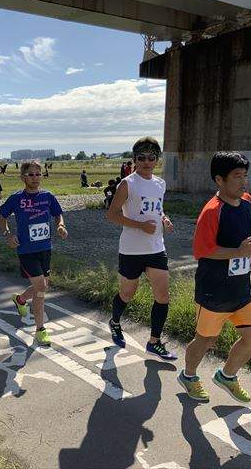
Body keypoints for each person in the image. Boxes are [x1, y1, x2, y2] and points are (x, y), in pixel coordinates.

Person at [177, 151, 251, 404]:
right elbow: (202, 251)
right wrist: (239, 253)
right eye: (237, 176)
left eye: (245, 175)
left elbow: (243, 239)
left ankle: (227, 376)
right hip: (213, 291)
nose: (243, 182)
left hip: (240, 289)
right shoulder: (212, 211)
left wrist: (249, 257)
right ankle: (188, 376)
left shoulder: (246, 202)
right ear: (219, 179)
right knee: (206, 340)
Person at [106, 137, 177, 361]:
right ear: (134, 159)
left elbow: (157, 209)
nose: (146, 162)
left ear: (157, 159)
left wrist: (164, 219)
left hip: (156, 248)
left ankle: (154, 342)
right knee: (127, 293)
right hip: (131, 250)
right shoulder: (128, 183)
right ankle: (115, 322)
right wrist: (140, 226)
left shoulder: (160, 183)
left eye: (151, 158)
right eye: (141, 158)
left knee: (163, 296)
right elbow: (112, 215)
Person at [0, 160, 68, 346]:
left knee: (42, 286)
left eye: (38, 174)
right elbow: (1, 217)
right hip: (26, 250)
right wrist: (8, 235)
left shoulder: (47, 196)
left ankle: (20, 300)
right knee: (41, 288)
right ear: (23, 177)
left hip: (45, 249)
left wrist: (60, 225)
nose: (35, 178)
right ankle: (40, 329)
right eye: (31, 174)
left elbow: (58, 214)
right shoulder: (16, 199)